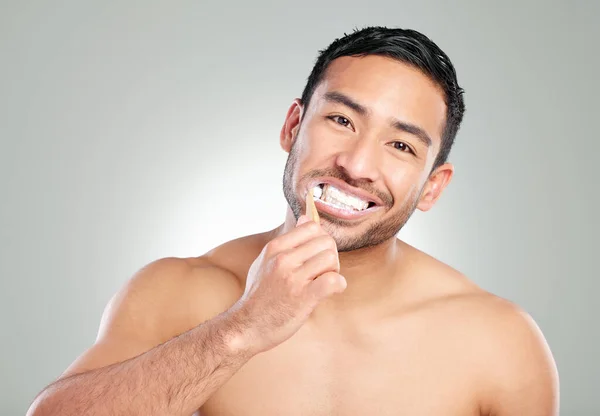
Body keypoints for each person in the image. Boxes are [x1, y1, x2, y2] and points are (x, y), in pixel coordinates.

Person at [27, 26, 559, 416]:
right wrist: (241, 330)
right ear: (293, 127)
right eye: (341, 120)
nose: (356, 165)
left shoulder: (501, 341)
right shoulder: (177, 292)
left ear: (433, 187)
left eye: (399, 145)